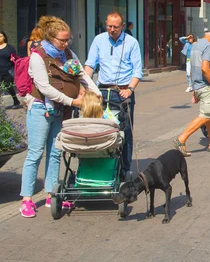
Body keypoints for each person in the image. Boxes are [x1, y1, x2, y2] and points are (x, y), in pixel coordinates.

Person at [20, 16, 99, 218]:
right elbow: (45, 88)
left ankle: (51, 194)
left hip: (60, 111)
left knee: (55, 153)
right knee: (36, 153)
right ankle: (27, 199)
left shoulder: (68, 53)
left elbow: (82, 75)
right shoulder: (38, 56)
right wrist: (72, 102)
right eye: (62, 40)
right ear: (50, 37)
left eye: (68, 40)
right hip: (41, 109)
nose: (65, 44)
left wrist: (96, 93)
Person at [84, 12, 143, 179]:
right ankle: (103, 165)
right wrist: (85, 85)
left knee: (125, 131)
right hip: (102, 90)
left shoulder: (131, 42)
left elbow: (137, 70)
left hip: (123, 91)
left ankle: (125, 168)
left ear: (122, 26)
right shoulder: (99, 40)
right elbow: (90, 64)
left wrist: (130, 89)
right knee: (101, 130)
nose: (111, 30)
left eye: (115, 27)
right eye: (109, 26)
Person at [173, 24, 210, 155]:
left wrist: (193, 88)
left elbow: (192, 67)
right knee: (206, 115)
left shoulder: (196, 45)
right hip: (206, 85)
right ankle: (181, 139)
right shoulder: (208, 46)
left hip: (198, 85)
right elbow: (204, 68)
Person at [0, 31, 20, 109]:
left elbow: (15, 57)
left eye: (1, 36)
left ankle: (16, 101)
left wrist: (13, 59)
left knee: (9, 87)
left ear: (4, 37)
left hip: (7, 71)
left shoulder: (9, 47)